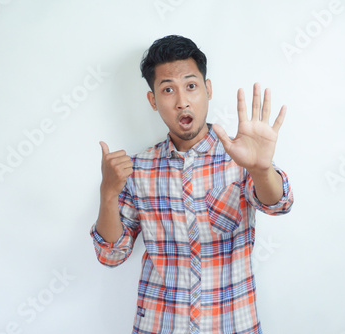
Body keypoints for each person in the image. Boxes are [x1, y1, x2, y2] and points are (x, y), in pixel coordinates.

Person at [90, 35, 294, 334]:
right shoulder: (138, 169)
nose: (182, 101)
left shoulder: (240, 155)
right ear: (153, 100)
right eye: (168, 90)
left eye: (191, 86)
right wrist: (108, 194)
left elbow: (279, 204)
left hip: (233, 323)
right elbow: (111, 255)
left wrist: (261, 169)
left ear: (207, 90)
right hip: (161, 325)